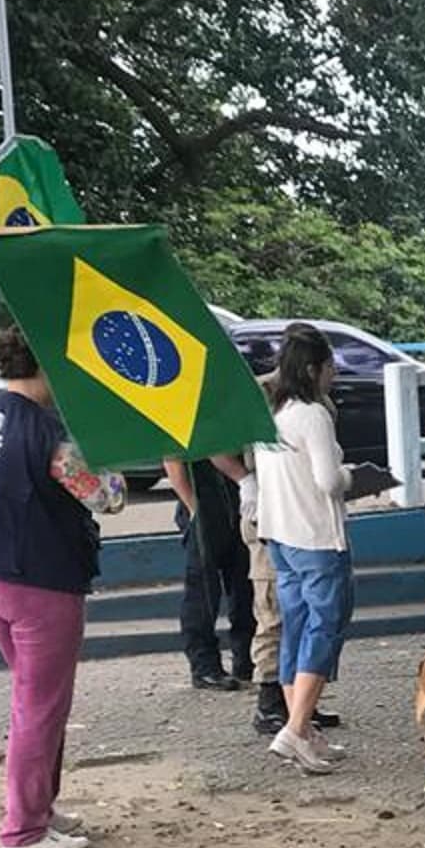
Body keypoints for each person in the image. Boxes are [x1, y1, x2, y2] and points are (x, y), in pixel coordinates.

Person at [0, 328, 125, 848]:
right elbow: (110, 497)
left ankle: (37, 809)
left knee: (34, 700)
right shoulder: (50, 435)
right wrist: (104, 443)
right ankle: (23, 829)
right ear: (44, 369)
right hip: (42, 585)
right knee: (38, 708)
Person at [253, 327, 354, 775]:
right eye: (330, 367)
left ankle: (302, 729)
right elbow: (329, 482)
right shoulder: (313, 414)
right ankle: (295, 730)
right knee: (324, 627)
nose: (333, 375)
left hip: (279, 534)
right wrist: (356, 477)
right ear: (314, 369)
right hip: (315, 535)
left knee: (294, 627)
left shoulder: (271, 411)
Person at [163, 453, 254, 690]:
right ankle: (204, 665)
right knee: (203, 588)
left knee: (245, 583)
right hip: (205, 500)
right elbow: (172, 461)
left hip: (233, 499)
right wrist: (193, 506)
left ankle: (246, 658)